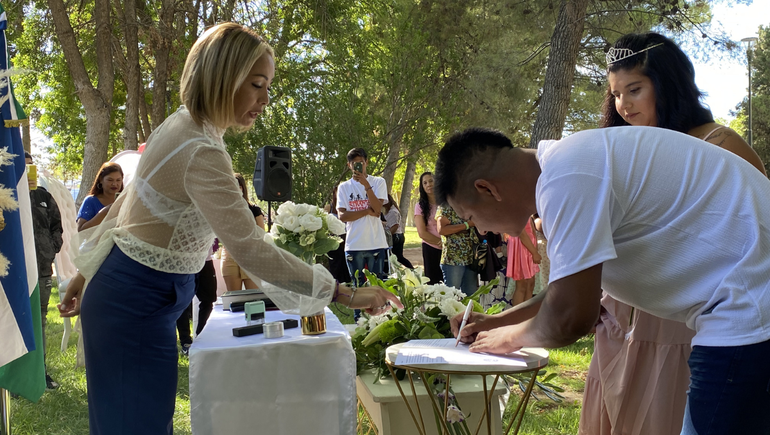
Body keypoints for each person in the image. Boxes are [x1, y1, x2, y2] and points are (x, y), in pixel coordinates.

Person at [58, 23, 401, 435]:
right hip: (133, 301)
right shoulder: (199, 147)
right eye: (257, 84)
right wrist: (343, 293)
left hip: (140, 298)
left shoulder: (187, 126)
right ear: (223, 77)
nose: (265, 99)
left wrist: (84, 274)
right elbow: (250, 249)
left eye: (268, 86)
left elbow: (128, 205)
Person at [434, 126, 770, 434]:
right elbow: (570, 291)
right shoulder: (568, 167)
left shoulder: (566, 177)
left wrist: (507, 338)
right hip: (748, 301)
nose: (479, 229)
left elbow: (571, 316)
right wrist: (497, 321)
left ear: (487, 189)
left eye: (470, 217)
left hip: (749, 307)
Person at [578, 32, 768, 435]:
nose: (623, 105)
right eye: (615, 94)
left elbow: (757, 228)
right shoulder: (621, 150)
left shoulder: (720, 144)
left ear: (667, 85)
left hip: (690, 319)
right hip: (626, 313)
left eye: (635, 89)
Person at [25, 152, 63, 390]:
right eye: (22, 166)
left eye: (31, 166)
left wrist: (51, 248)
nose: (28, 170)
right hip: (13, 275)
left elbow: (56, 226)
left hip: (41, 270)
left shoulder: (43, 196)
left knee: (39, 322)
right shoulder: (4, 196)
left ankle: (40, 373)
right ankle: (12, 377)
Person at [336, 148, 389, 287]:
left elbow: (377, 210)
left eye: (360, 162)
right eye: (354, 163)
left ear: (366, 162)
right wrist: (366, 211)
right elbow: (342, 216)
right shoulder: (344, 187)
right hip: (354, 244)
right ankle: (358, 310)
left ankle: (378, 310)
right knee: (358, 288)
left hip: (376, 243)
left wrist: (366, 185)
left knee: (376, 288)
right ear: (349, 165)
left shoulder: (378, 182)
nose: (357, 166)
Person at [221, 173, 264, 291]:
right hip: (230, 257)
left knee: (254, 299)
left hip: (251, 258)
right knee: (234, 299)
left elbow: (261, 234)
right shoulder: (223, 210)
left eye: (238, 186)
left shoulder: (254, 210)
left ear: (242, 188)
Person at [176, 239, 218, 356]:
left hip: (205, 261)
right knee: (183, 303)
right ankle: (186, 342)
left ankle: (201, 336)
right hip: (184, 261)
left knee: (208, 301)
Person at [436, 203, 478, 294]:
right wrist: (466, 225)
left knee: (472, 298)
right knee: (452, 296)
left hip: (471, 258)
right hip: (453, 260)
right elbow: (442, 229)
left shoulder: (470, 205)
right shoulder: (446, 205)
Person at [76, 162, 123, 232]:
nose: (114, 184)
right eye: (110, 180)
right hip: (96, 243)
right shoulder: (91, 201)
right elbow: (81, 230)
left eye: (118, 180)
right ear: (101, 179)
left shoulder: (127, 201)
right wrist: (105, 212)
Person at [413, 172, 442, 284]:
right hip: (431, 248)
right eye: (425, 183)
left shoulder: (446, 202)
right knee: (434, 284)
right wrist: (442, 243)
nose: (428, 184)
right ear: (422, 187)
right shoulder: (420, 206)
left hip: (450, 251)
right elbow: (422, 233)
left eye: (431, 181)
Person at [506, 216, 540, 306]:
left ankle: (526, 313)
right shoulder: (516, 209)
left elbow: (532, 229)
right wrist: (534, 252)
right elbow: (522, 233)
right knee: (522, 284)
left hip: (529, 247)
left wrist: (535, 249)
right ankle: (518, 316)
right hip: (521, 247)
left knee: (530, 283)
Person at [326, 184, 351, 283]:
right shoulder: (329, 207)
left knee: (345, 265)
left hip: (346, 238)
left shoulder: (348, 206)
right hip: (333, 240)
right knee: (335, 266)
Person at [383, 193, 413, 269]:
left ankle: (411, 269)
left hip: (396, 237)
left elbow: (395, 226)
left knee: (397, 257)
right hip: (397, 236)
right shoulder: (389, 211)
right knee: (397, 257)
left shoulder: (393, 212)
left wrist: (387, 237)